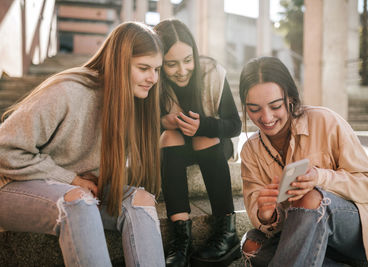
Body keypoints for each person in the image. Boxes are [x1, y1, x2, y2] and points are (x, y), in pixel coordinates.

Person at [0, 22, 165, 267]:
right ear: (120, 63)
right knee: (78, 201)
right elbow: (4, 148)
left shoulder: (132, 102)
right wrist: (71, 179)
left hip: (74, 191)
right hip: (11, 186)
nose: (153, 78)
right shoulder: (68, 92)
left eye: (157, 69)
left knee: (139, 201)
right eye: (143, 68)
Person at [238, 56, 368, 267]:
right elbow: (266, 226)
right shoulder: (251, 151)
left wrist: (321, 177)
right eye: (254, 109)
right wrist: (267, 216)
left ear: (289, 98)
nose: (266, 118)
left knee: (310, 198)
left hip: (357, 233)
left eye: (275, 105)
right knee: (251, 245)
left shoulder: (326, 121)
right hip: (305, 237)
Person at [153, 19, 242, 266]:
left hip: (213, 144)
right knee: (169, 135)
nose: (182, 70)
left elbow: (235, 125)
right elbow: (135, 129)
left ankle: (227, 230)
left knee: (203, 136)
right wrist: (163, 122)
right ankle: (180, 238)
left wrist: (203, 125)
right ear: (159, 63)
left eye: (187, 60)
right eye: (171, 64)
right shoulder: (153, 79)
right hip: (174, 149)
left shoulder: (212, 73)